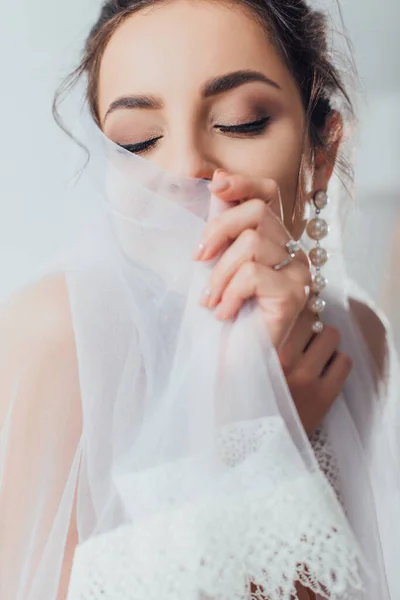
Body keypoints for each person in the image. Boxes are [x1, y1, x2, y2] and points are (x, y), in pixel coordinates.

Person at [0, 1, 399, 599]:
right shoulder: (56, 334)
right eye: (137, 141)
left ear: (322, 154)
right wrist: (250, 429)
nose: (186, 168)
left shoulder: (353, 335)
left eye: (241, 123)